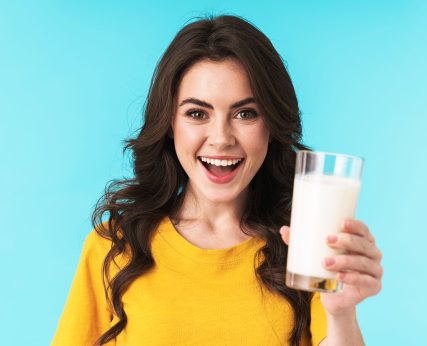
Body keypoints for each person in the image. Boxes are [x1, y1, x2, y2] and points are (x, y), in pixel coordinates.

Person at [52, 14, 383, 346]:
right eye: (197, 114)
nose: (221, 138)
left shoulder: (304, 247)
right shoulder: (114, 246)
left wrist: (341, 314)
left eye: (245, 113)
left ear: (271, 125)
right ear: (170, 123)